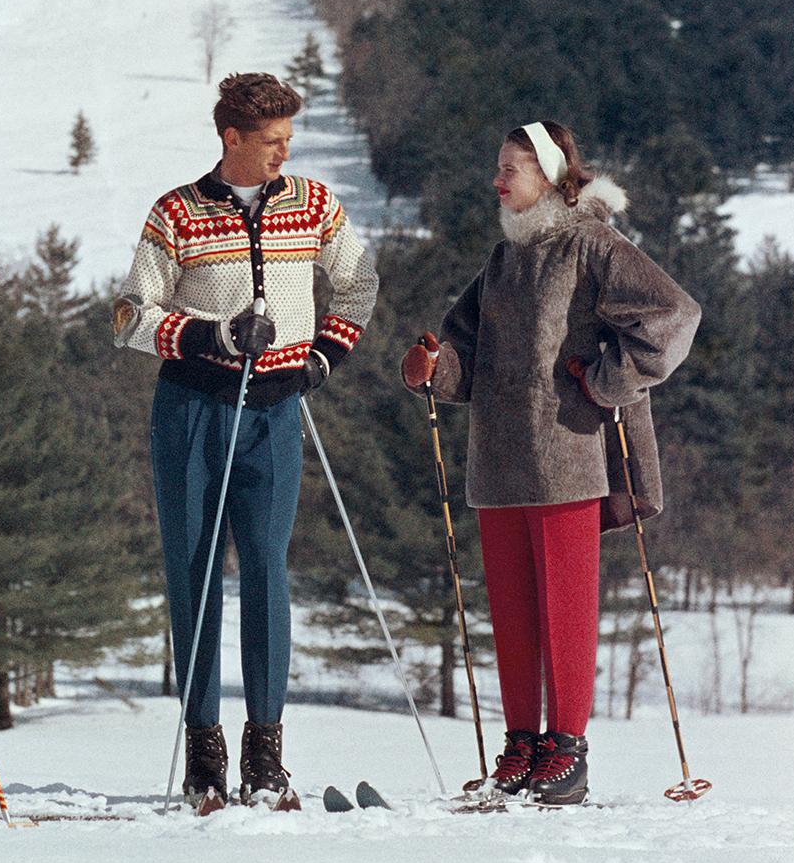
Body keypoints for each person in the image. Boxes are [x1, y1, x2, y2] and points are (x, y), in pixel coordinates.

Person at [401, 120, 700, 806]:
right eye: (498, 167)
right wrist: (434, 367)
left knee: (564, 606)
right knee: (511, 609)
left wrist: (605, 381)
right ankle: (523, 744)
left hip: (568, 451)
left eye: (512, 168)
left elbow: (674, 315)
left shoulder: (591, 243)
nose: (499, 180)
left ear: (552, 175)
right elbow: (464, 355)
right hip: (498, 458)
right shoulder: (504, 260)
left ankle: (567, 749)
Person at [114, 71, 378, 808]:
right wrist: (214, 333)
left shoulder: (315, 205)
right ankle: (205, 751)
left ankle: (267, 754)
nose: (282, 156)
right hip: (194, 409)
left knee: (266, 570)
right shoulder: (177, 213)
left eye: (289, 141)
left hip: (275, 412)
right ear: (231, 138)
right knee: (194, 575)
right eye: (271, 142)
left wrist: (326, 352)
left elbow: (360, 284)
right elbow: (132, 316)